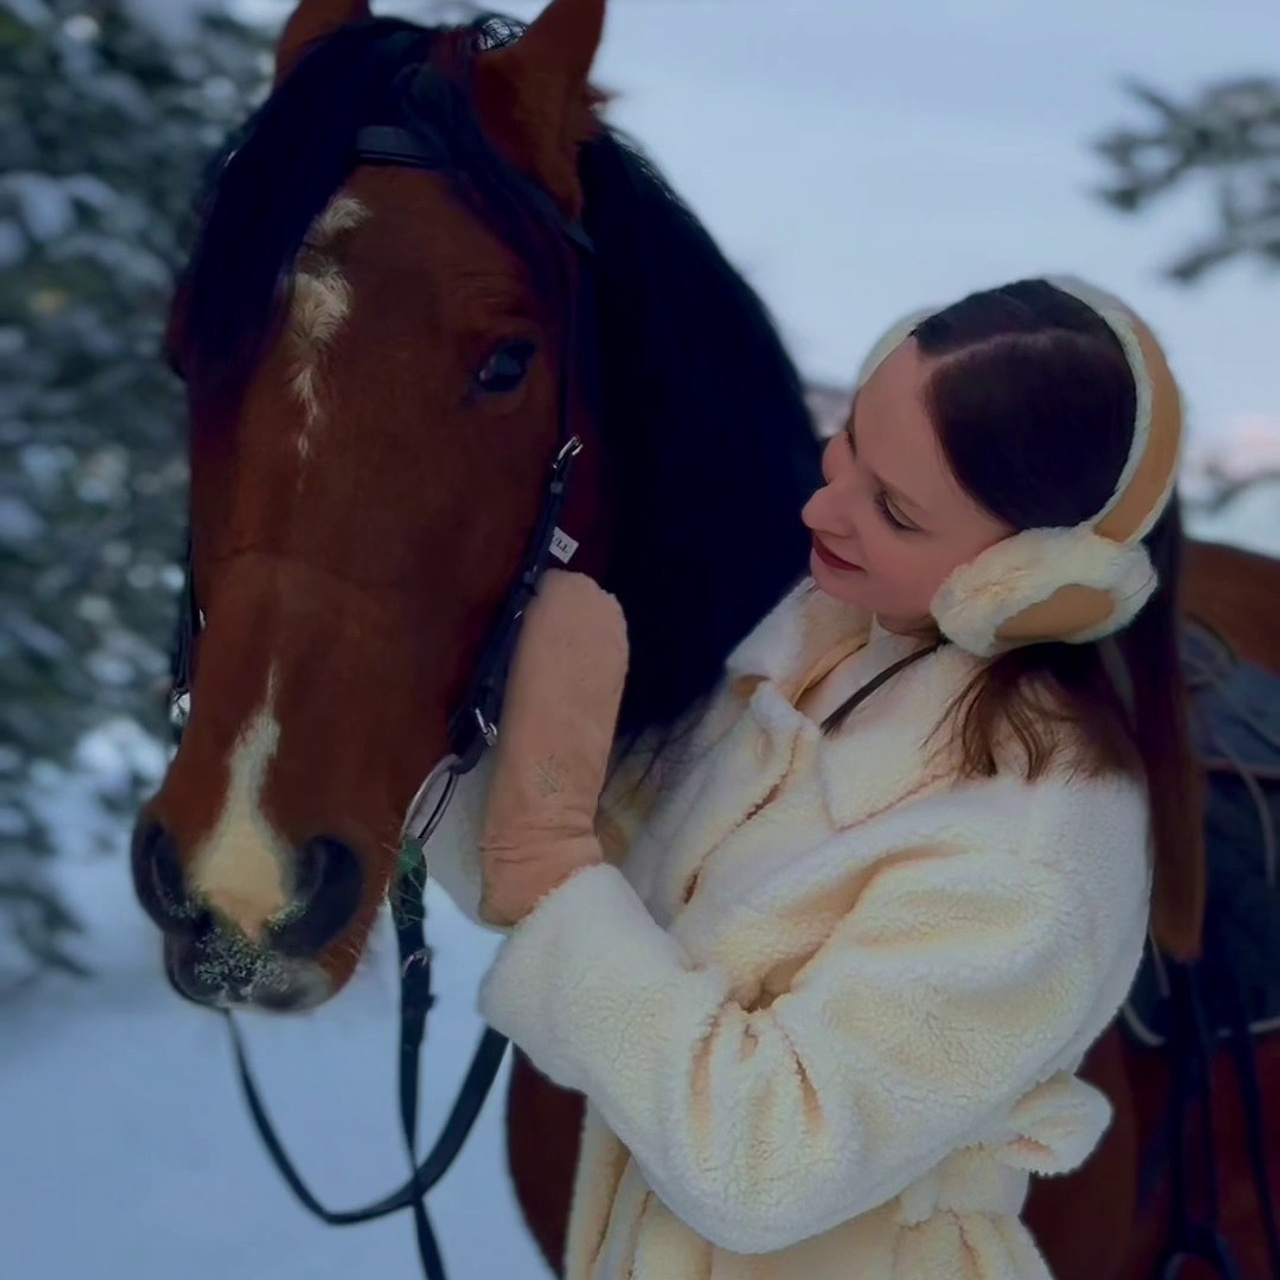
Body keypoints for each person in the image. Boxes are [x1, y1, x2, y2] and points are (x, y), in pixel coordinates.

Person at [452, 275, 1202, 1279]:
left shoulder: (1034, 851)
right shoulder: (824, 650)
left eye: (891, 509)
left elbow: (764, 1163)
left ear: (1026, 578)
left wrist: (548, 862)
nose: (818, 504)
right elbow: (631, 892)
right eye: (847, 442)